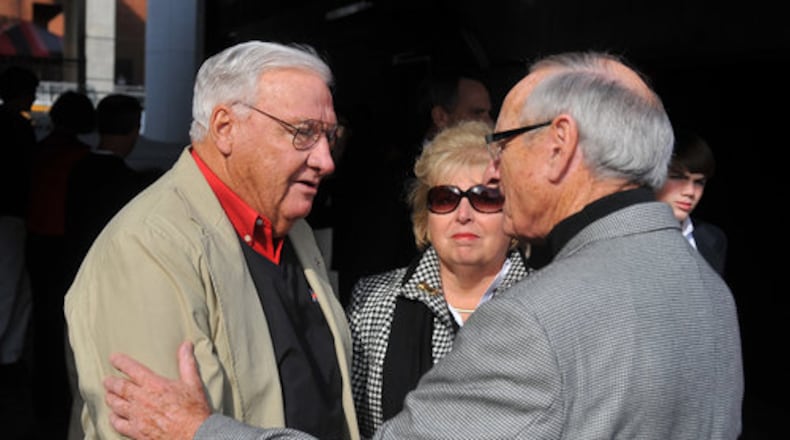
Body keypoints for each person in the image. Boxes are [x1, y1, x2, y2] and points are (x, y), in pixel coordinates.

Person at [101, 50, 744, 440]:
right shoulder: (704, 288)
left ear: (559, 144)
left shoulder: (534, 322)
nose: (493, 169)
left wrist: (199, 431)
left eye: (503, 142)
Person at [64, 41, 359, 440]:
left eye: (329, 136)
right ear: (225, 128)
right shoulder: (148, 247)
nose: (326, 161)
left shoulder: (292, 231)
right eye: (303, 133)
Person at [348, 120, 531, 437]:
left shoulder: (546, 300)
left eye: (485, 197)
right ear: (426, 213)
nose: (463, 214)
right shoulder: (374, 302)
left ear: (513, 209)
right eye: (445, 198)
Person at [333, 70, 495, 304]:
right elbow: (372, 257)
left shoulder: (503, 170)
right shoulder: (391, 179)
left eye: (487, 198)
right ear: (440, 116)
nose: (488, 122)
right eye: (476, 113)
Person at [63, 93, 163, 440]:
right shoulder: (130, 186)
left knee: (81, 392)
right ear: (135, 130)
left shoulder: (77, 170)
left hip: (72, 290)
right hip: (109, 300)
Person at [26, 89, 96, 438]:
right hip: (65, 247)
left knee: (42, 321)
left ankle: (42, 397)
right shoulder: (82, 159)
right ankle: (58, 399)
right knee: (64, 326)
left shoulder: (41, 150)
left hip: (36, 242)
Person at [0, 64, 39, 439]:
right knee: (11, 291)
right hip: (10, 217)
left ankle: (9, 356)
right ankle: (8, 357)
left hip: (10, 216)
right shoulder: (15, 126)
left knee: (16, 291)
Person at [656, 128, 727, 276]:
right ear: (654, 177)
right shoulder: (623, 234)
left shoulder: (711, 238)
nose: (690, 191)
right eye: (677, 177)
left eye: (699, 182)